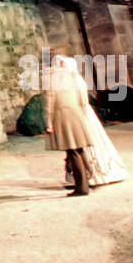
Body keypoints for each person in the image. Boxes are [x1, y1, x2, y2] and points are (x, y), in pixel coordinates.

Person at [43, 55, 93, 196]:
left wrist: (48, 122)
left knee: (72, 150)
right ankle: (88, 178)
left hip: (62, 116)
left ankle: (82, 187)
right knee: (79, 148)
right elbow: (84, 97)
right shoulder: (74, 76)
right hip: (77, 113)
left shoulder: (51, 78)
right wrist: (83, 114)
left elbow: (48, 103)